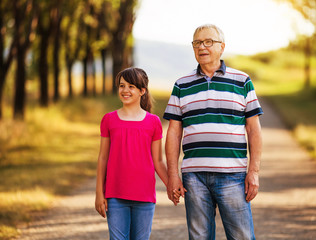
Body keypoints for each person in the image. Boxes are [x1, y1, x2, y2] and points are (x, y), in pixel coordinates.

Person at [163, 24, 263, 240]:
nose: (202, 47)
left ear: (222, 47)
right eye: (197, 43)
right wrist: (173, 174)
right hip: (194, 178)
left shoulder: (242, 81)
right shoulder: (181, 85)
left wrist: (253, 171)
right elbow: (173, 132)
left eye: (208, 42)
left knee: (242, 237)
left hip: (233, 176)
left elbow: (254, 129)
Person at [95, 67, 170, 240]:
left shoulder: (153, 122)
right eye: (122, 86)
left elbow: (158, 161)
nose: (125, 90)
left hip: (144, 196)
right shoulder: (109, 119)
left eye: (131, 86)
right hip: (115, 196)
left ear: (142, 91)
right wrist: (99, 193)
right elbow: (103, 158)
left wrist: (171, 185)